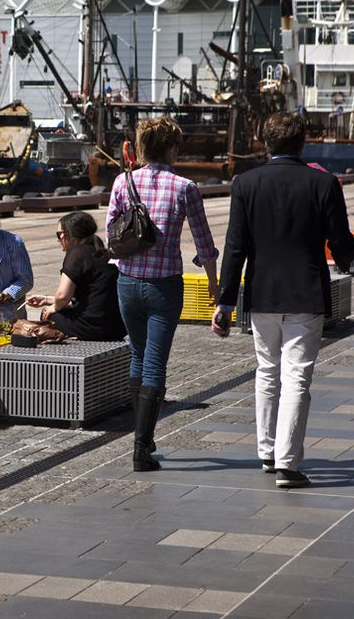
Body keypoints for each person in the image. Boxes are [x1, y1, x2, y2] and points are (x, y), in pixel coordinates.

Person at [212, 112, 354, 488]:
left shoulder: (246, 183)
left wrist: (225, 301)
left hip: (261, 293)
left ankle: (266, 450)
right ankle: (287, 464)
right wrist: (344, 257)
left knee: (266, 370)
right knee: (296, 377)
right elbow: (341, 243)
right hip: (306, 293)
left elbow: (235, 246)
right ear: (301, 142)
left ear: (264, 142)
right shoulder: (323, 183)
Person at [107, 117, 219, 472]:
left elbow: (112, 231)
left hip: (127, 282)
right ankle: (141, 449)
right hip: (164, 286)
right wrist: (215, 288)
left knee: (137, 357)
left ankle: (144, 435)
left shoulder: (123, 181)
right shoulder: (184, 187)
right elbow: (205, 244)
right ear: (172, 148)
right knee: (155, 363)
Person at [26, 211, 126, 341]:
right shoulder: (102, 252)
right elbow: (90, 297)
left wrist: (53, 307)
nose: (58, 239)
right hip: (117, 327)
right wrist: (46, 299)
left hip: (92, 327)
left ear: (70, 235)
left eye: (59, 234)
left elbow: (62, 296)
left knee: (48, 315)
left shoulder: (77, 253)